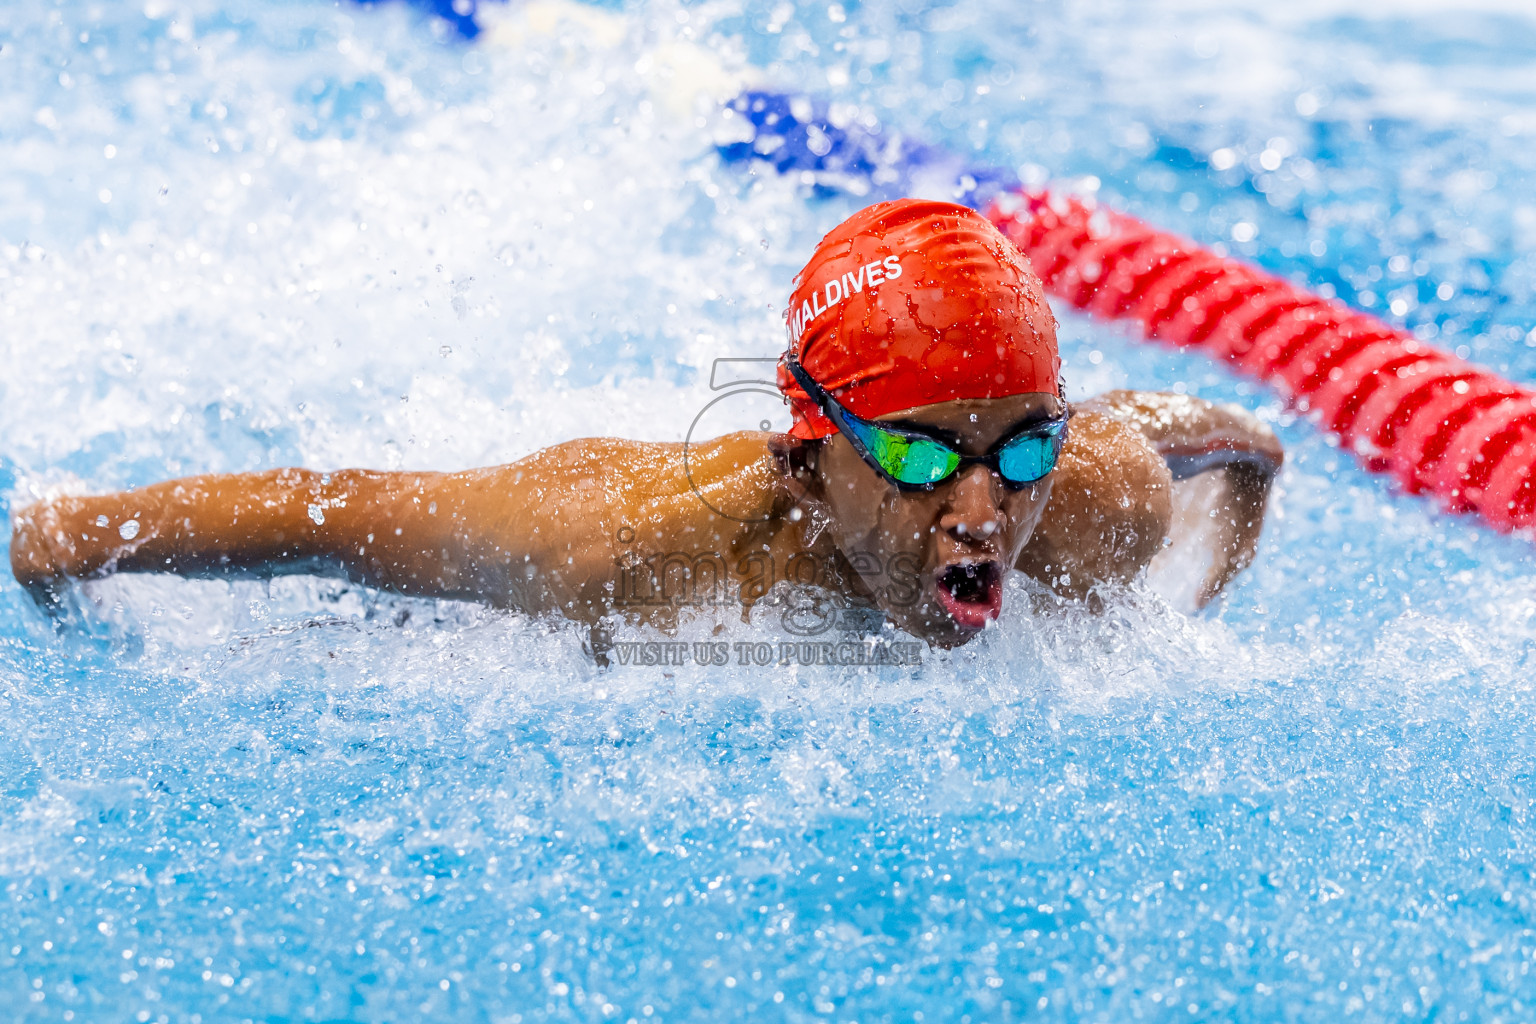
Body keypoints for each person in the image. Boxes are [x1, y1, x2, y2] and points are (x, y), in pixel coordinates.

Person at [9, 199, 1282, 648]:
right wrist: (59, 540)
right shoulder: (631, 545)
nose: (982, 512)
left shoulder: (1096, 499)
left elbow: (1234, 442)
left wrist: (1157, 619)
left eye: (1020, 450)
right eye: (912, 454)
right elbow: (322, 511)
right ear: (808, 453)